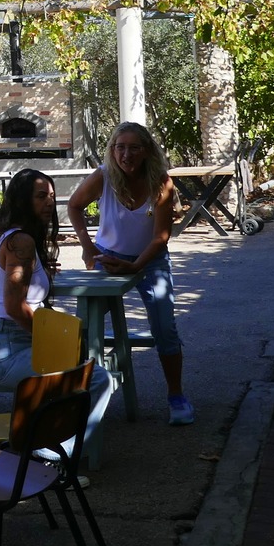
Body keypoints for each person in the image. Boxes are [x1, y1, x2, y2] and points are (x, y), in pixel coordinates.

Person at [67, 122, 194, 425]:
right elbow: (74, 206)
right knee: (86, 327)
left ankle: (176, 396)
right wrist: (87, 247)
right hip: (108, 257)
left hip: (150, 260)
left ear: (147, 150)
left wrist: (137, 266)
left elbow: (161, 237)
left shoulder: (161, 182)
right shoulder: (103, 176)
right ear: (112, 150)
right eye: (120, 147)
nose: (126, 154)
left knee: (164, 328)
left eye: (134, 147)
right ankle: (77, 394)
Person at [0, 168, 112, 432]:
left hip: (2, 341)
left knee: (80, 365)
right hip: (6, 349)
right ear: (22, 201)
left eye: (51, 196)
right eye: (40, 197)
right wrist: (52, 340)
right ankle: (54, 450)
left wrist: (34, 269)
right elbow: (14, 307)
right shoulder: (20, 242)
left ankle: (49, 441)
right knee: (97, 379)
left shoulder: (6, 236)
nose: (49, 202)